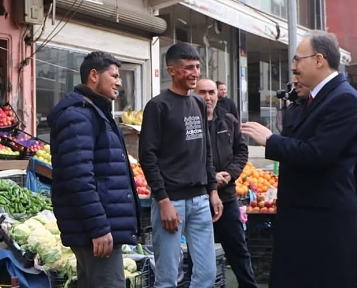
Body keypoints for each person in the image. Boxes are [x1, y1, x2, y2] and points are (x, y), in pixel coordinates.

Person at [241, 30, 357, 288]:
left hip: (322, 223)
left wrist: (270, 140)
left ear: (319, 60)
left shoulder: (342, 99)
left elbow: (316, 153)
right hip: (304, 218)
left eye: (298, 60)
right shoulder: (312, 98)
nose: (293, 67)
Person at [47, 51, 140, 288]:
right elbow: (78, 177)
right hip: (96, 229)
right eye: (115, 76)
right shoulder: (78, 116)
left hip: (98, 225)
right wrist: (98, 228)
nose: (119, 82)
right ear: (94, 75)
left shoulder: (95, 113)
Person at [138, 43, 223, 288]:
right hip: (171, 202)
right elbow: (148, 156)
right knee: (167, 277)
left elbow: (205, 151)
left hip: (200, 200)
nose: (195, 72)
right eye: (188, 68)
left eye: (197, 67)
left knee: (206, 274)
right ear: (172, 70)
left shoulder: (198, 103)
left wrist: (213, 190)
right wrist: (163, 201)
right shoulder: (158, 106)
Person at [286, 75, 357, 288]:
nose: (296, 80)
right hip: (318, 209)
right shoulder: (301, 108)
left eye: (300, 75)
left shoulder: (349, 105)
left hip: (349, 202)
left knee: (346, 273)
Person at [195, 79, 257, 288]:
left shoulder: (229, 120)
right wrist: (212, 176)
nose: (208, 97)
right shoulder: (189, 122)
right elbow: (190, 157)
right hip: (198, 197)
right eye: (202, 92)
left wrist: (229, 175)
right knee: (199, 253)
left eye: (211, 92)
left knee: (238, 249)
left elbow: (241, 151)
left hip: (227, 196)